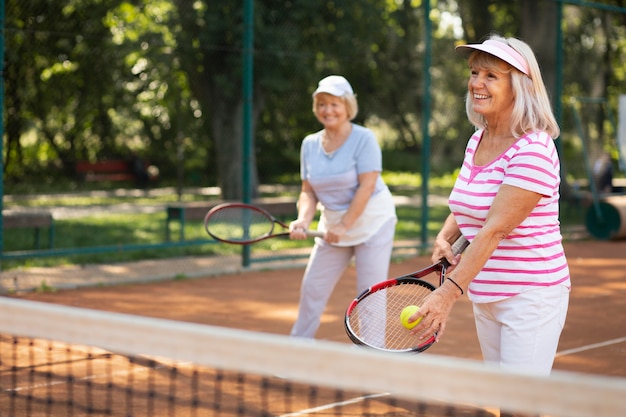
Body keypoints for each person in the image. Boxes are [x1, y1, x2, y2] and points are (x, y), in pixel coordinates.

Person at [408, 34, 571, 401]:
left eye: (491, 76)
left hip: (531, 296)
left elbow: (495, 228)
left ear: (519, 86)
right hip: (487, 293)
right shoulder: (477, 139)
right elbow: (467, 202)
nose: (477, 83)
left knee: (521, 405)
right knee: (504, 401)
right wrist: (444, 237)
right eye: (474, 72)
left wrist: (447, 294)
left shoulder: (534, 148)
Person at [288, 75, 397, 339]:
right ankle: (296, 351)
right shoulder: (310, 144)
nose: (328, 110)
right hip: (332, 228)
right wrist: (303, 219)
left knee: (369, 294)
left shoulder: (364, 139)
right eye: (322, 104)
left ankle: (371, 361)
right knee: (312, 288)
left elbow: (366, 187)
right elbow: (308, 191)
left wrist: (344, 225)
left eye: (334, 104)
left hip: (373, 223)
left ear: (348, 106)